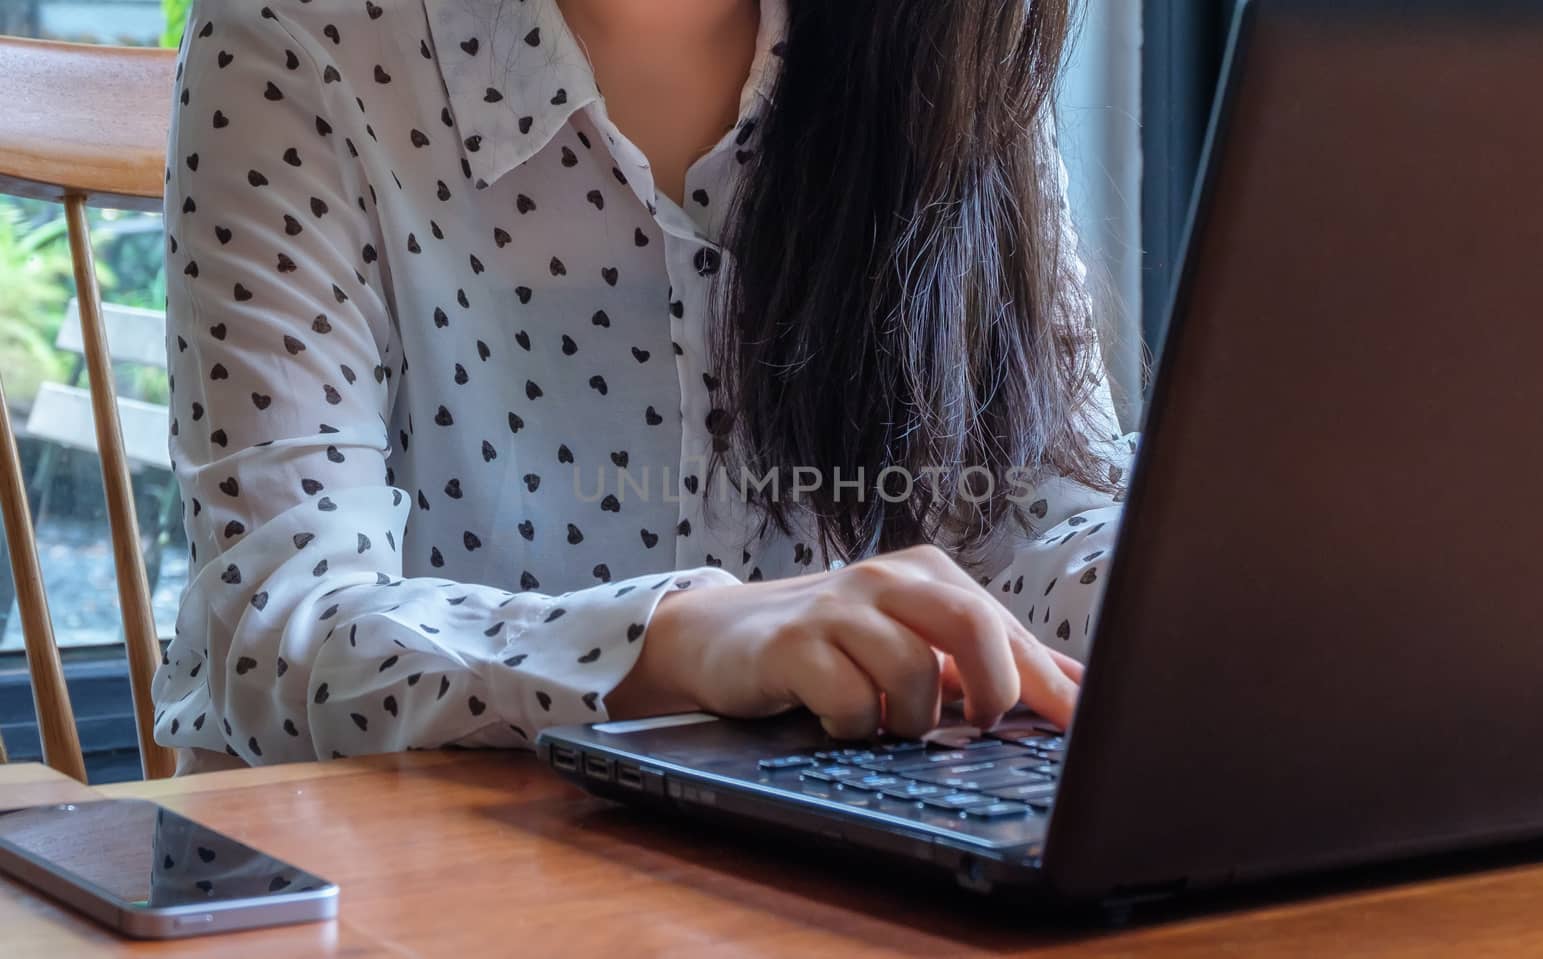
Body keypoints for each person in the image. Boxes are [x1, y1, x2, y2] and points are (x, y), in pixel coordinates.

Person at [154, 0, 1134, 773]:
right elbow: (270, 633)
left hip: (814, 873)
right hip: (401, 885)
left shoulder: (943, 43)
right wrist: (670, 642)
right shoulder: (296, 31)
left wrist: (1219, 588)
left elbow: (1042, 518)